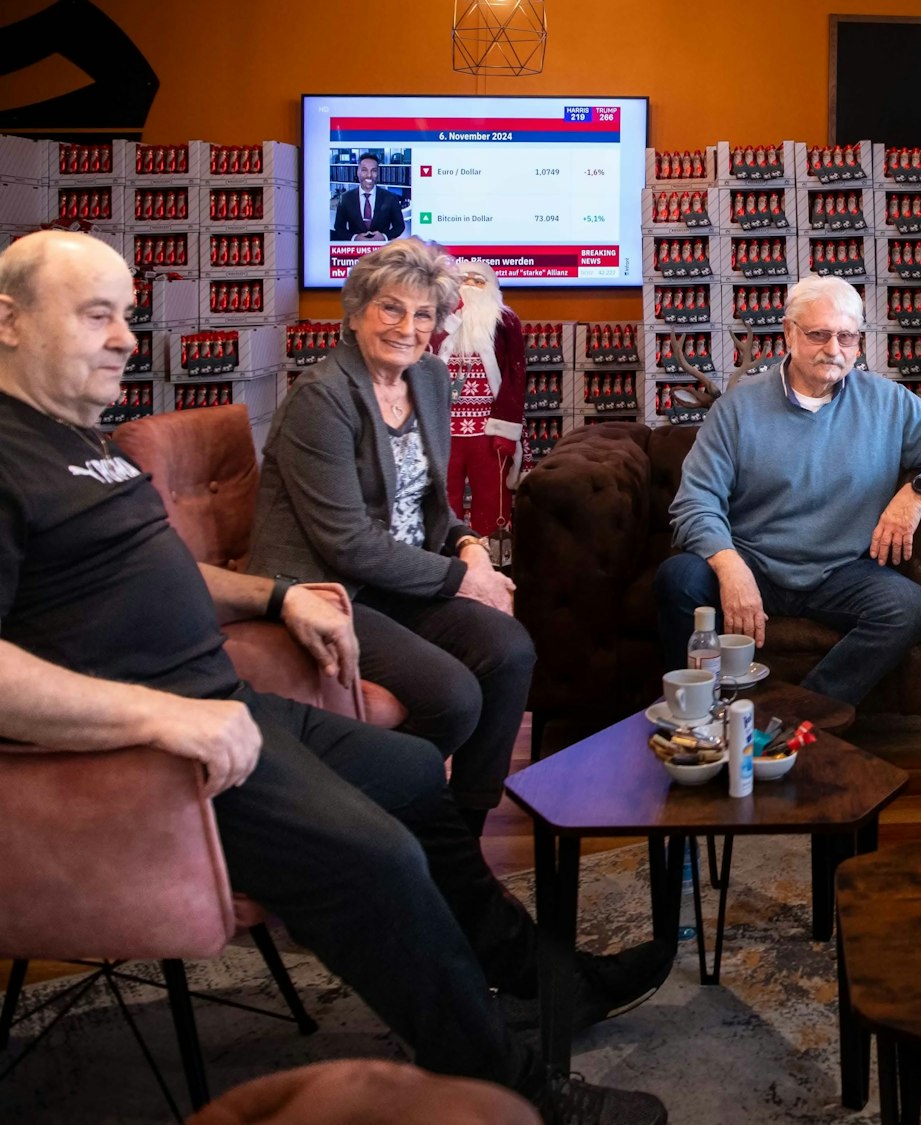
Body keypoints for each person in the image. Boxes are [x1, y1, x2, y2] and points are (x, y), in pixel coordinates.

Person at [0, 231, 666, 1124]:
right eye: (98, 316)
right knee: (380, 855)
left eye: (128, 315)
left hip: (225, 702)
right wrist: (164, 717)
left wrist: (276, 595)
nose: (127, 338)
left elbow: (165, 570)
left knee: (414, 784)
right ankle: (517, 1089)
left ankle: (543, 978)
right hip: (155, 750)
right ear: (8, 320)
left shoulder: (79, 443)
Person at [245, 238, 530, 835]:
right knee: (452, 696)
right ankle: (356, 825)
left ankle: (459, 831)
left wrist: (470, 545)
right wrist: (464, 578)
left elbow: (430, 504)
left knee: (510, 650)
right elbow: (347, 542)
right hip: (329, 588)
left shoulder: (428, 378)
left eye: (424, 314)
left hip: (402, 577)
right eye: (392, 309)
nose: (408, 327)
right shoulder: (320, 398)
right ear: (356, 313)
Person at [654, 274, 921, 704]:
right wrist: (729, 566)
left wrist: (917, 494)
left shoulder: (887, 401)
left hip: (841, 572)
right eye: (819, 335)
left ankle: (807, 712)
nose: (834, 349)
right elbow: (695, 501)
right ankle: (695, 713)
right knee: (678, 578)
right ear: (789, 334)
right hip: (752, 560)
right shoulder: (736, 408)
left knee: (909, 607)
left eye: (847, 336)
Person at [432, 259, 526, 539]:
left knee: (493, 498)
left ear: (491, 288)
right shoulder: (439, 320)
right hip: (444, 431)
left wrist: (507, 428)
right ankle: (445, 559)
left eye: (478, 281)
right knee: (443, 499)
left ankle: (495, 561)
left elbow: (515, 376)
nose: (470, 286)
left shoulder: (504, 321)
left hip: (489, 430)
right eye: (464, 280)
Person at [330, 154, 406, 242]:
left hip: (381, 251)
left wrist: (384, 237)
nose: (369, 175)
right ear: (357, 172)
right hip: (355, 252)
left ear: (378, 173)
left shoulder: (391, 198)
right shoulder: (345, 198)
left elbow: (400, 226)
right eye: (364, 170)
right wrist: (355, 238)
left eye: (374, 170)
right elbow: (339, 228)